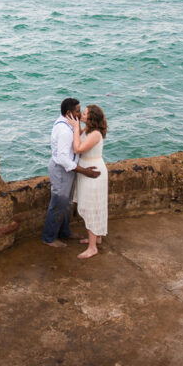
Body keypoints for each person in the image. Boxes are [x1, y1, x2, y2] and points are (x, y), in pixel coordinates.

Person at [42, 98, 101, 248]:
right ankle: (49, 238)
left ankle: (65, 232)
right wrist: (84, 171)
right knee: (58, 203)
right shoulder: (64, 131)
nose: (80, 113)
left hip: (67, 169)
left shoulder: (68, 123)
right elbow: (62, 158)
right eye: (77, 111)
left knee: (67, 204)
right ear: (69, 113)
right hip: (61, 170)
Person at [68, 104, 109, 259]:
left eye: (84, 114)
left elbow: (78, 148)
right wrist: (77, 127)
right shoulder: (88, 130)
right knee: (93, 204)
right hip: (87, 167)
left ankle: (92, 248)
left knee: (92, 206)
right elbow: (76, 137)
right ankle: (96, 238)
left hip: (93, 170)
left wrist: (76, 126)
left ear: (91, 118)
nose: (81, 115)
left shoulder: (95, 134)